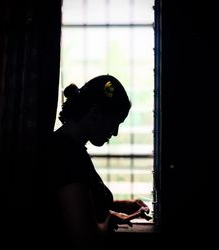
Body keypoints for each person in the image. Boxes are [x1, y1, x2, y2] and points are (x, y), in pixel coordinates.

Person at [40, 75, 151, 250]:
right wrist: (109, 218)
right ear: (95, 113)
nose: (114, 133)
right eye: (114, 123)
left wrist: (121, 206)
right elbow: (86, 241)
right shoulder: (68, 156)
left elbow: (78, 203)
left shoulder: (67, 148)